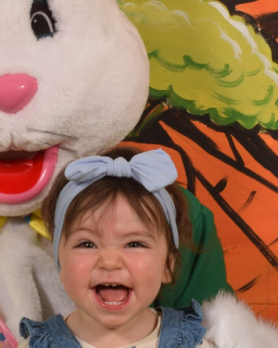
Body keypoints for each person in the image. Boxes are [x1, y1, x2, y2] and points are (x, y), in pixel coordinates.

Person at [19, 147, 212, 348]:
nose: (110, 262)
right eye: (87, 244)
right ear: (60, 260)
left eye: (134, 244)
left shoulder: (192, 343)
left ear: (167, 265)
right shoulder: (37, 345)